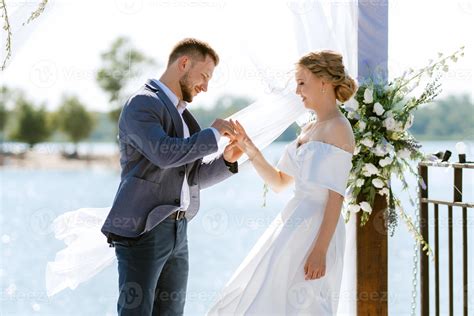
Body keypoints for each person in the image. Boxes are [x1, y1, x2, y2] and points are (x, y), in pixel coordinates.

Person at [207, 50, 357, 315]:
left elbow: (336, 197)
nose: (298, 91)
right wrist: (248, 146)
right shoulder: (309, 129)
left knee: (306, 303)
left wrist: (320, 250)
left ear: (324, 82)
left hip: (319, 230)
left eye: (302, 83)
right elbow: (278, 182)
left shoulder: (339, 128)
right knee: (268, 297)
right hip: (293, 225)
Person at [101, 38, 243, 315]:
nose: (205, 86)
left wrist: (226, 161)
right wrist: (213, 134)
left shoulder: (185, 117)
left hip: (179, 231)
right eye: (204, 75)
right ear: (184, 63)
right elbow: (164, 153)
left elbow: (190, 177)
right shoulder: (143, 103)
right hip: (144, 229)